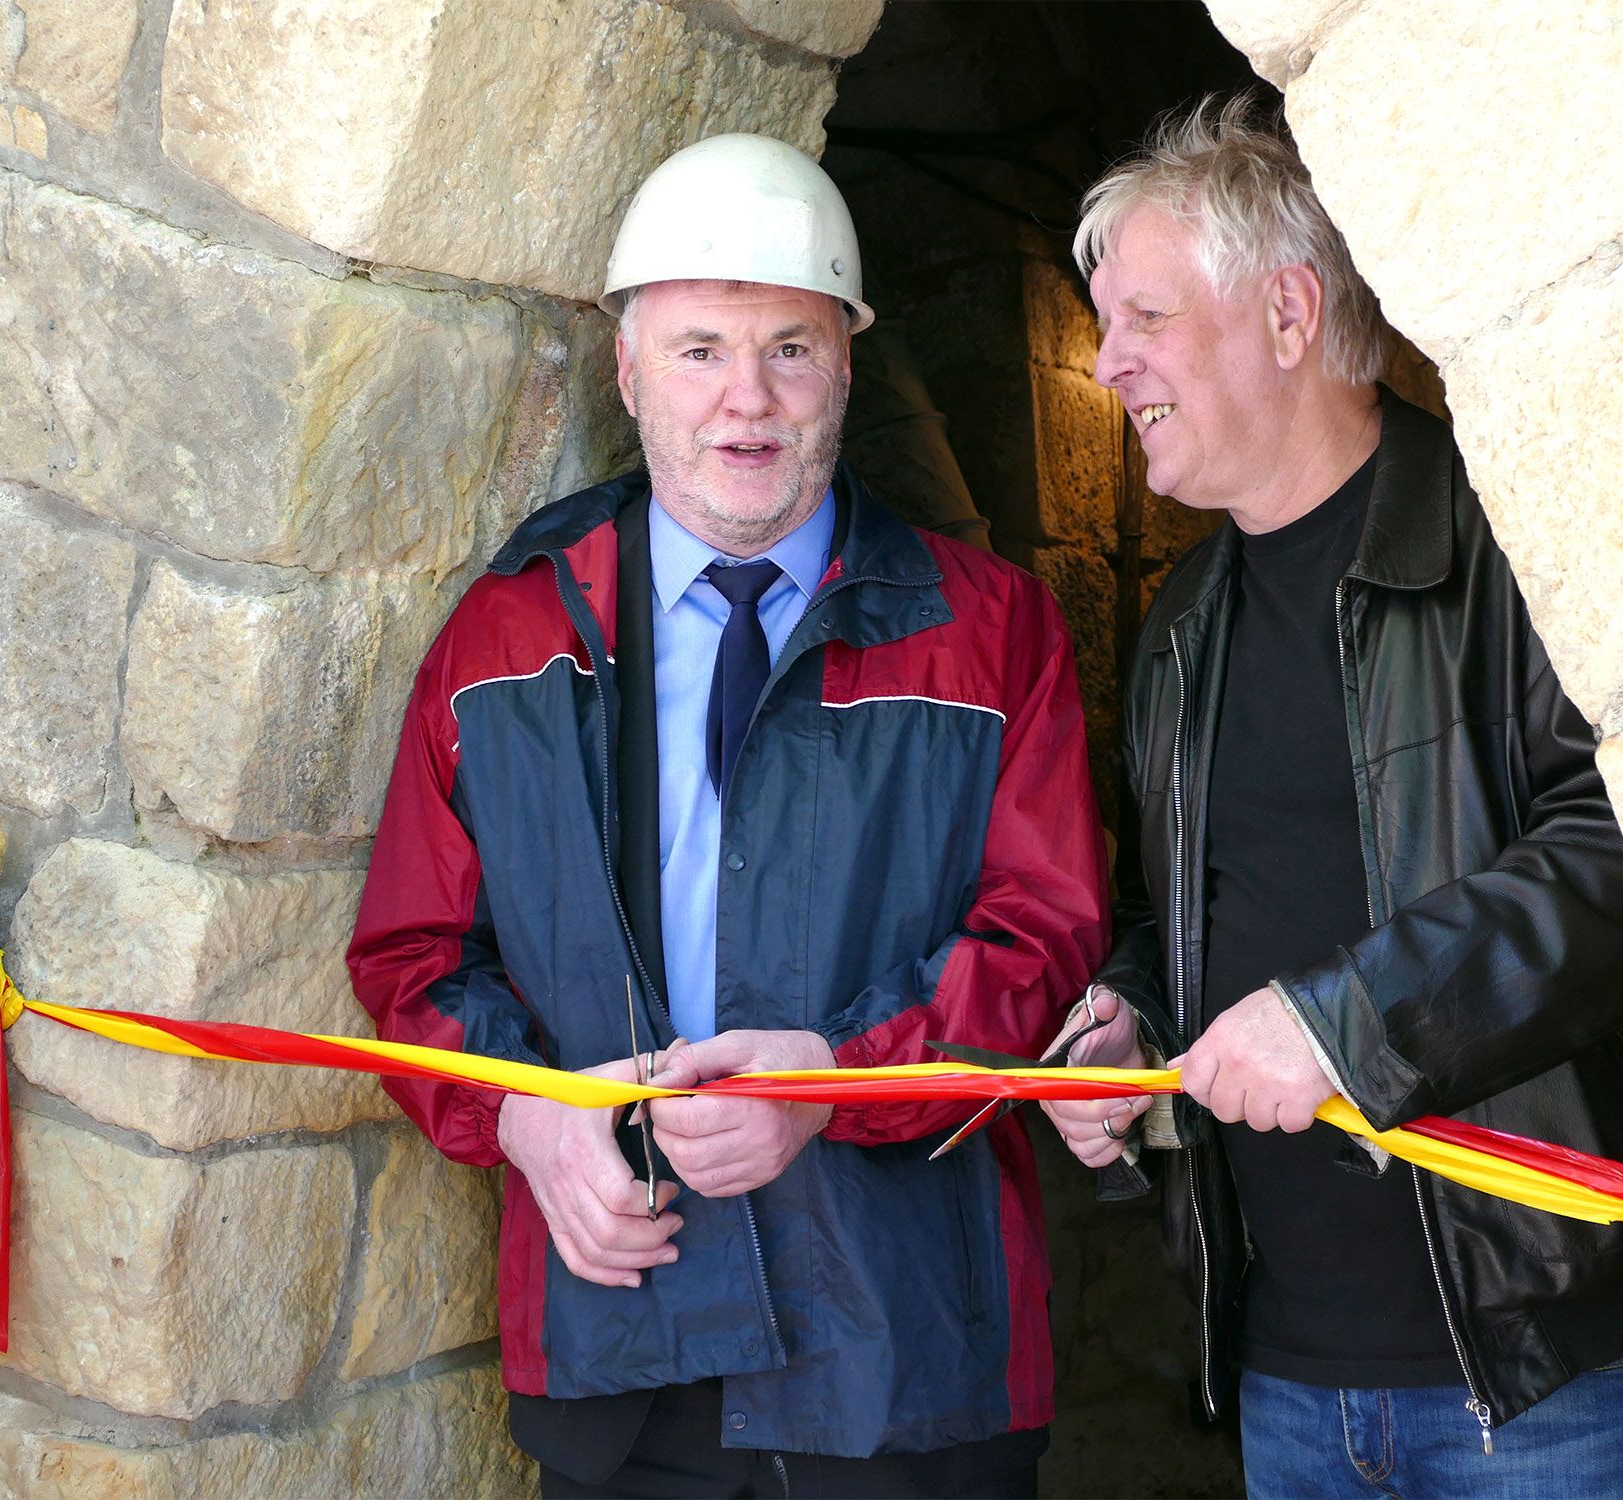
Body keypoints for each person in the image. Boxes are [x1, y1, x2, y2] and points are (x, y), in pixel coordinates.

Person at [347, 132, 1108, 1498]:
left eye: (792, 350)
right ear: (628, 369)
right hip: (620, 1361)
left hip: (908, 1359)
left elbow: (1042, 934)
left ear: (848, 366)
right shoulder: (505, 635)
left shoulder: (993, 632)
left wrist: (825, 1086)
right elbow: (411, 961)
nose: (746, 401)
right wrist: (527, 1122)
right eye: (700, 349)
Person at [1039, 97, 1623, 1497]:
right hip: (1291, 1381)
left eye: (1145, 320)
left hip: (1549, 1376)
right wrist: (1125, 1020)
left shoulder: (1513, 536)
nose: (1109, 365)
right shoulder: (1177, 628)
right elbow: (1200, 920)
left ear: (1287, 313)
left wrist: (1342, 1026)